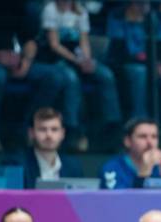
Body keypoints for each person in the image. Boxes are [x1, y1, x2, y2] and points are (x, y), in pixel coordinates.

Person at [0, 0, 66, 152]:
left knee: (54, 76)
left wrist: (25, 62)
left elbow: (29, 40)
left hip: (11, 60)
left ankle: (29, 129)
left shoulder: (16, 5)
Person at [106, 2, 161, 146]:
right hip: (128, 65)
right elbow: (117, 50)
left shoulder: (158, 17)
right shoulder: (117, 16)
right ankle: (139, 126)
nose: (143, 6)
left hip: (156, 64)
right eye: (139, 4)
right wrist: (149, 63)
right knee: (139, 73)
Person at [38, 0, 122, 152]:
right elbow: (54, 45)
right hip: (57, 59)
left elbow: (84, 41)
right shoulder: (50, 10)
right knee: (71, 79)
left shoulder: (81, 11)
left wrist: (86, 60)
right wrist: (76, 61)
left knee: (106, 75)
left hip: (78, 58)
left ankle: (112, 126)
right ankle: (73, 128)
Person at [6, 107, 85, 189]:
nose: (49, 135)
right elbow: (12, 197)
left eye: (54, 129)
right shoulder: (17, 164)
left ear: (62, 133)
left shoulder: (73, 167)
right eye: (42, 129)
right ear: (31, 133)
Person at [99, 118, 161, 189]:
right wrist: (144, 173)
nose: (150, 142)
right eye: (142, 136)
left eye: (154, 137)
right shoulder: (111, 168)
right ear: (127, 141)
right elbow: (119, 199)